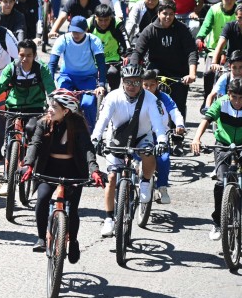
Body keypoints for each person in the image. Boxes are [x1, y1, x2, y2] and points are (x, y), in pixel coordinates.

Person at [20, 88, 103, 261]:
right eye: (50, 105)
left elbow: (87, 148)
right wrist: (28, 165)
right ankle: (42, 237)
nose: (49, 109)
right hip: (48, 168)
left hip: (73, 169)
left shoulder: (78, 124)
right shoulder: (42, 123)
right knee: (42, 199)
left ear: (66, 111)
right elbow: (34, 145)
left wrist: (94, 170)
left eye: (54, 107)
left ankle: (73, 241)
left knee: (72, 210)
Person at [92, 64, 168, 237]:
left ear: (141, 82)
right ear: (122, 82)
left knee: (149, 153)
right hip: (117, 137)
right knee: (111, 177)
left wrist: (162, 140)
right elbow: (102, 121)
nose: (132, 85)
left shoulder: (151, 99)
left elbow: (157, 125)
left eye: (136, 82)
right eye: (128, 82)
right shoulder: (113, 97)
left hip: (142, 136)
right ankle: (109, 219)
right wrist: (96, 138)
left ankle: (146, 182)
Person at [0, 38, 56, 195]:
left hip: (36, 109)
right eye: (22, 55)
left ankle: (36, 171)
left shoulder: (41, 69)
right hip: (14, 109)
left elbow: (50, 88)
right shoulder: (11, 68)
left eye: (29, 55)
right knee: (10, 142)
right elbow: (0, 85)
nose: (25, 59)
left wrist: (53, 104)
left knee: (34, 133)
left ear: (34, 55)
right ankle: (7, 178)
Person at [192, 78, 242, 241]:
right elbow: (206, 119)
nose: (237, 101)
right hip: (223, 145)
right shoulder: (221, 103)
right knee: (221, 182)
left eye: (241, 98)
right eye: (234, 97)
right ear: (229, 94)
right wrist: (196, 139)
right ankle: (218, 223)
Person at [131, 0, 197, 118]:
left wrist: (192, 74)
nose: (168, 17)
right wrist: (132, 72)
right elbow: (137, 52)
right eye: (165, 13)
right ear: (158, 14)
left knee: (179, 104)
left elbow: (191, 51)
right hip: (157, 70)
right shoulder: (149, 30)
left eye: (171, 14)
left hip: (179, 71)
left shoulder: (182, 29)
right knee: (149, 96)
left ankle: (178, 130)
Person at [48, 16, 107, 129]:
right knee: (61, 102)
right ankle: (62, 128)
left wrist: (101, 84)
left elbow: (101, 64)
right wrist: (50, 85)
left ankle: (91, 133)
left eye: (79, 32)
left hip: (88, 77)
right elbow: (52, 64)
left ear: (86, 30)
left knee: (88, 104)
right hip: (67, 76)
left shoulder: (93, 40)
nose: (75, 34)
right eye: (73, 31)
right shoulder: (63, 39)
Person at [142, 69, 184, 202]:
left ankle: (162, 188)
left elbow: (174, 111)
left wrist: (179, 125)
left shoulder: (164, 98)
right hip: (141, 135)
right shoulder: (137, 97)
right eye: (145, 85)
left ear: (157, 84)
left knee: (164, 159)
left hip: (160, 135)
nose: (149, 88)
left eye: (152, 85)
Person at [197, 0, 237, 97]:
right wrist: (200, 37)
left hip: (233, 50)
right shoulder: (214, 9)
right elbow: (206, 25)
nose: (228, 1)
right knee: (209, 73)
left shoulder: (239, 12)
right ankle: (207, 98)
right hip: (214, 49)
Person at [86, 4, 129, 90]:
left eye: (106, 20)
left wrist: (127, 54)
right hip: (93, 60)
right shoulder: (88, 23)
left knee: (113, 73)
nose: (103, 23)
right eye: (100, 20)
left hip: (112, 59)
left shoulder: (116, 23)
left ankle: (114, 94)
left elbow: (126, 41)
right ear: (95, 17)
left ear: (111, 17)